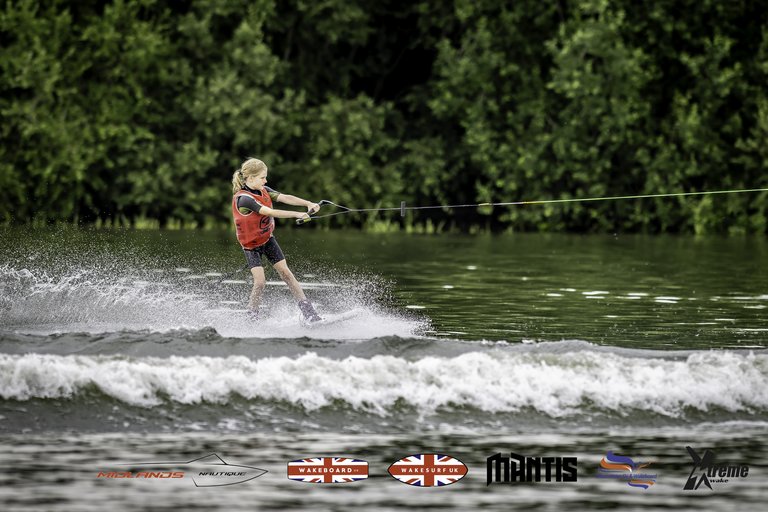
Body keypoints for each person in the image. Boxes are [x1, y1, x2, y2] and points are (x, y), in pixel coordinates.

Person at [231, 157, 322, 322]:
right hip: (251, 246)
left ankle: (309, 313)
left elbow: (285, 197)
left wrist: (308, 203)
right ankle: (252, 316)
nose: (265, 181)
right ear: (250, 178)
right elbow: (269, 212)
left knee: (286, 274)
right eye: (262, 177)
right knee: (260, 282)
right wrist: (297, 214)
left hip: (267, 240)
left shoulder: (264, 190)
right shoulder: (244, 199)